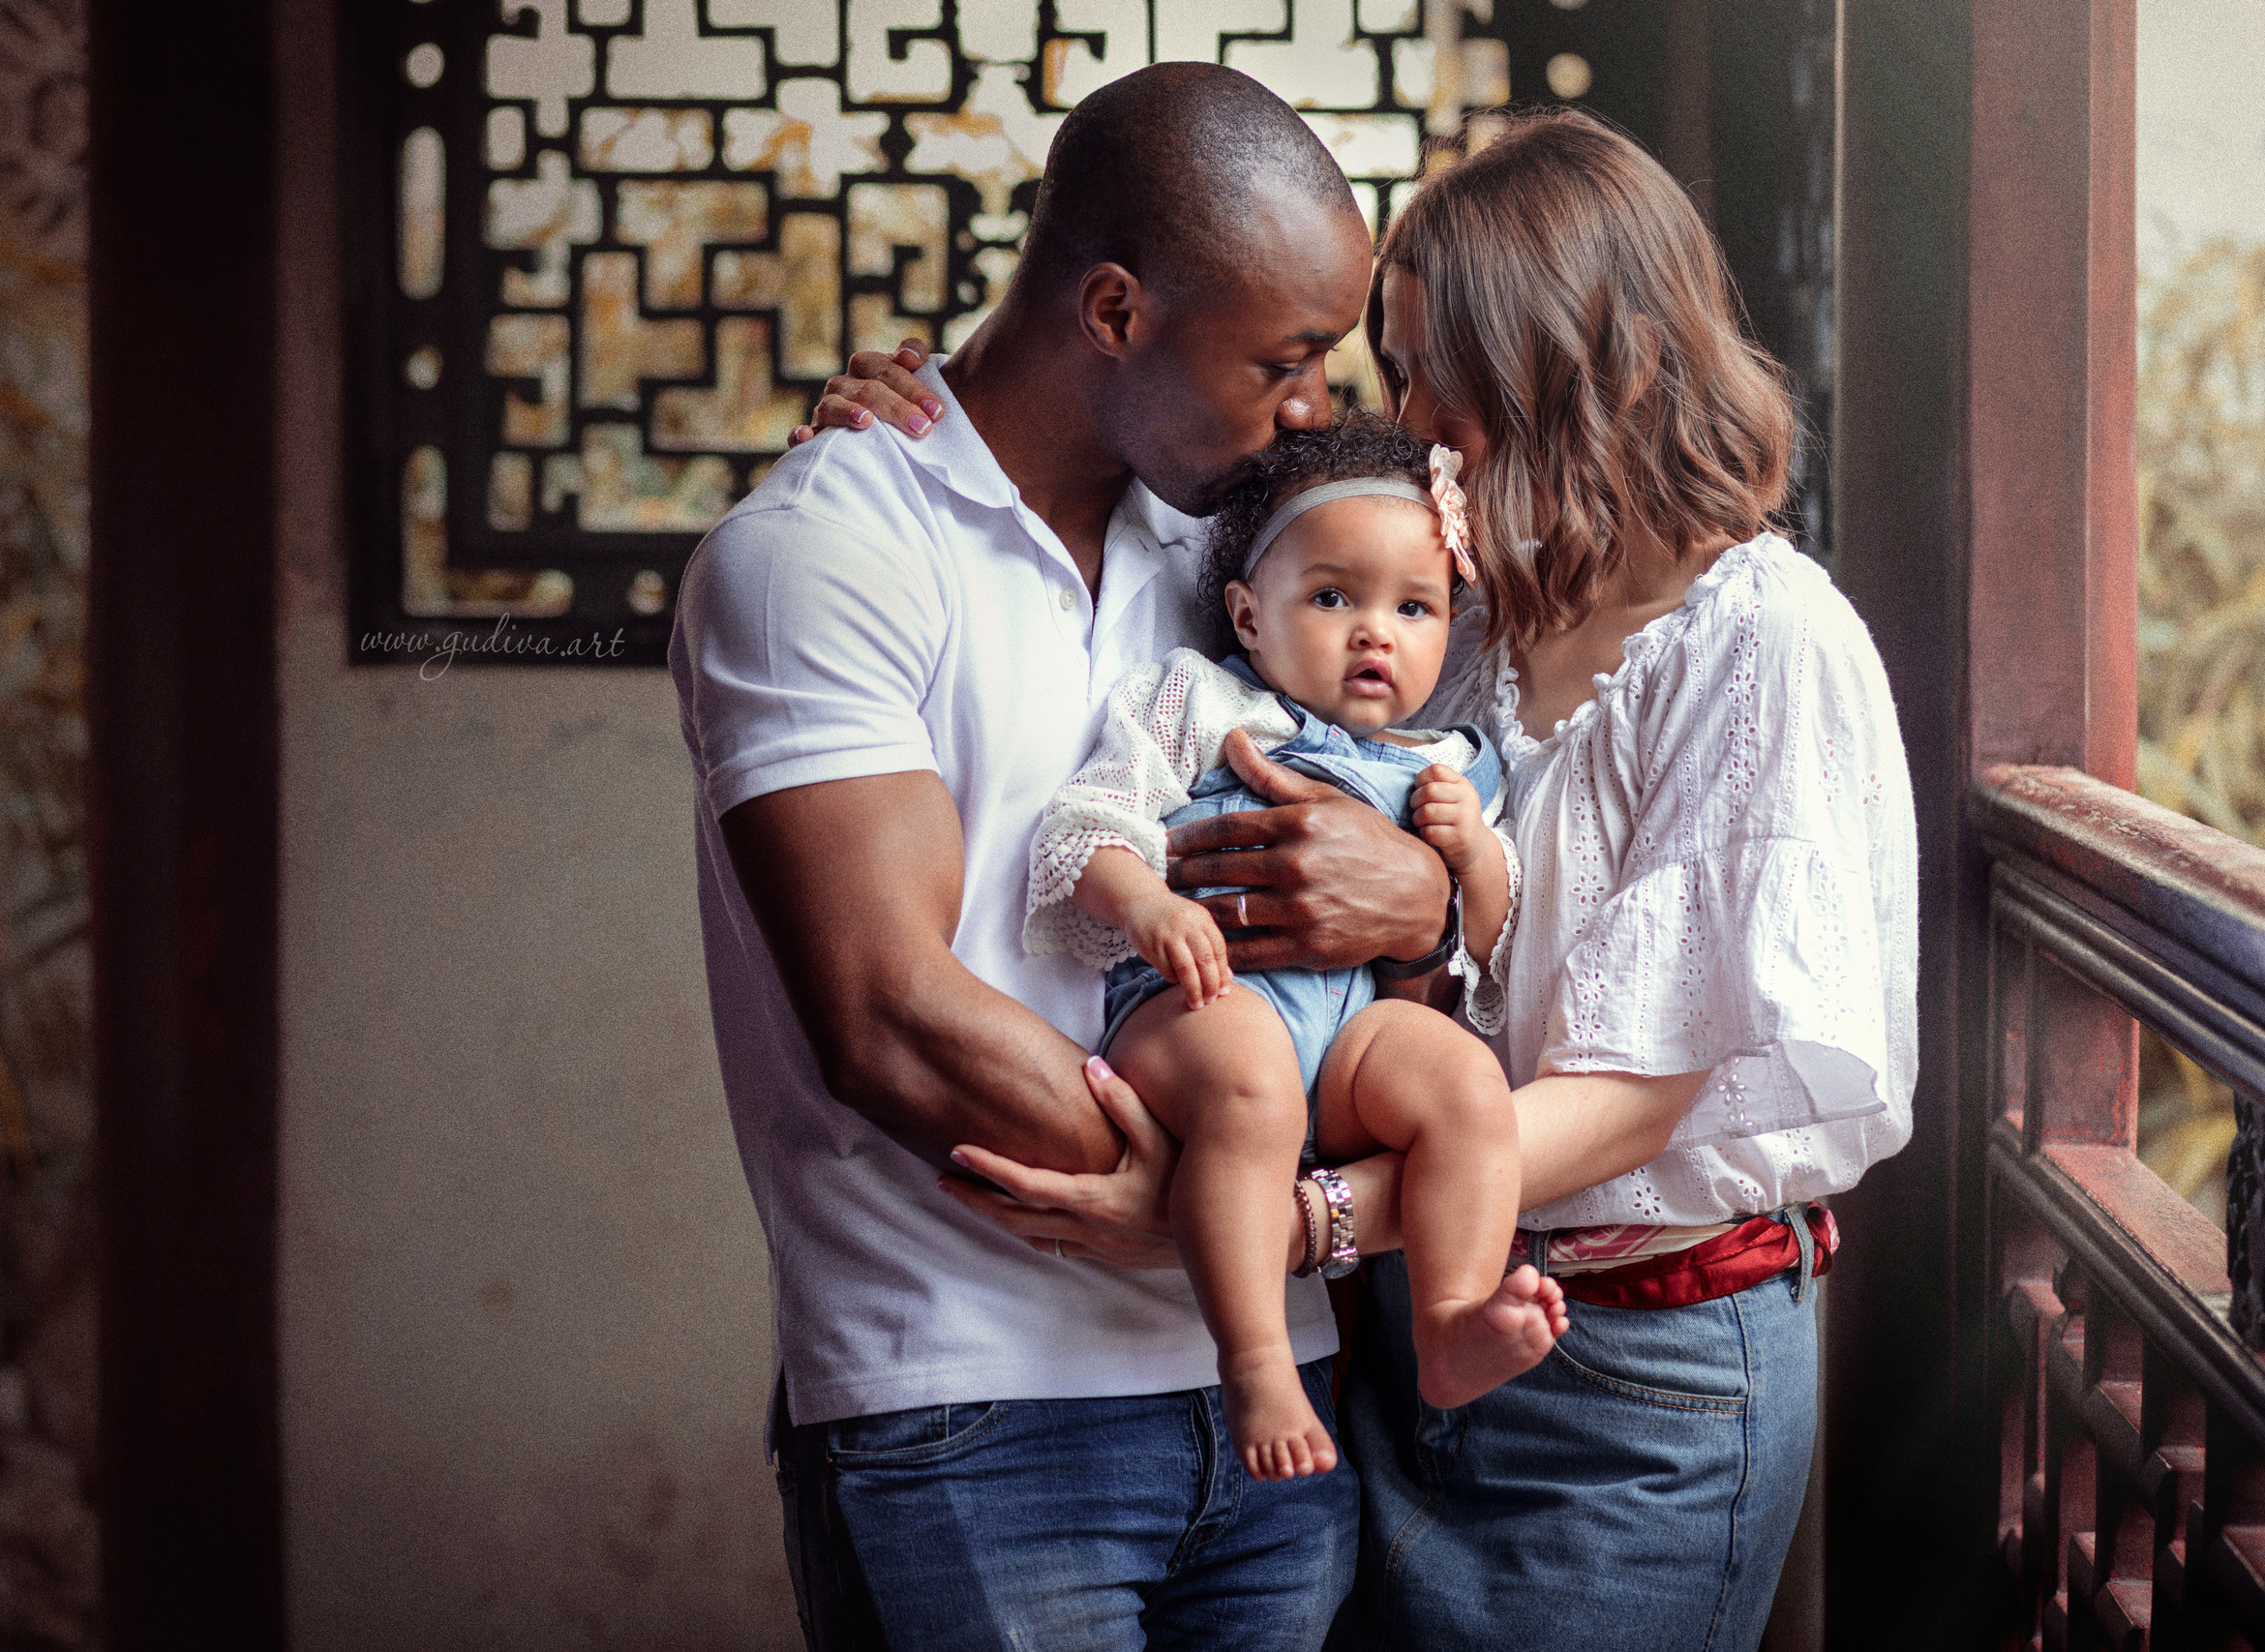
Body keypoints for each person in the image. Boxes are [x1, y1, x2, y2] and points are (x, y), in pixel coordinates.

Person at [799, 106, 1918, 1652]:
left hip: (1632, 1369)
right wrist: (915, 426)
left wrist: (1283, 1218)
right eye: (1392, 369)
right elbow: (1159, 501)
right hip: (1411, 1333)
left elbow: (1635, 1096)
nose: (1405, 419)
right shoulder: (1474, 614)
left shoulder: (1766, 642)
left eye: (1430, 370)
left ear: (1575, 365)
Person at [673, 62, 1472, 1652]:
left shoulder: (1236, 549)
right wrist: (1227, 1203)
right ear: (1115, 310)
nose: (1313, 407)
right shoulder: (829, 549)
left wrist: (1435, 895)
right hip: (972, 1400)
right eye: (1284, 360)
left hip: (1276, 1393)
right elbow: (886, 1015)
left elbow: (1411, 774)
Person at [1027, 414, 1565, 1484]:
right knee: (1255, 1089)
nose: (1375, 635)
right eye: (1331, 598)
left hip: (1351, 1032)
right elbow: (1084, 828)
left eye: (1412, 608)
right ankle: (1257, 1359)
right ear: (1248, 615)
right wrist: (1149, 907)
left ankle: (1451, 1320)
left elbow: (1492, 934)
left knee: (1465, 1084)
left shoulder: (1451, 763)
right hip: (1201, 1003)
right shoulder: (1201, 700)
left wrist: (1471, 855)